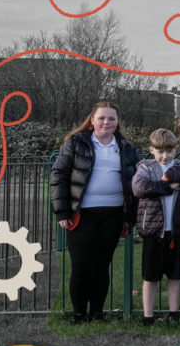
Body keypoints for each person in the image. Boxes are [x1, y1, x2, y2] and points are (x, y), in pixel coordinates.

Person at [51, 101, 142, 324]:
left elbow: (136, 182)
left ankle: (97, 313)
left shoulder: (126, 147)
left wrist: (131, 217)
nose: (106, 122)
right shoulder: (76, 143)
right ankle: (79, 314)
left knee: (102, 266)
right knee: (81, 265)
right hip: (81, 215)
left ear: (117, 122)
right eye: (101, 118)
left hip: (113, 214)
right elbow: (59, 176)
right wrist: (62, 212)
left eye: (111, 118)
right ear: (92, 120)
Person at [131, 129, 180, 326]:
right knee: (150, 275)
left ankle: (174, 314)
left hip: (177, 229)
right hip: (153, 229)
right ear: (151, 150)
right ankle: (148, 315)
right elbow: (139, 188)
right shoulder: (146, 167)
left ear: (176, 150)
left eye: (170, 151)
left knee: (176, 274)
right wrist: (168, 187)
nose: (165, 156)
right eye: (160, 151)